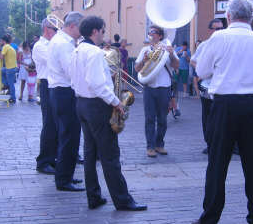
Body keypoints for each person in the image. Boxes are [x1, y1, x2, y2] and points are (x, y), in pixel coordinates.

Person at [192, 0, 253, 224]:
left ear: (228, 17)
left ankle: (209, 220)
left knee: (217, 164)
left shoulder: (218, 38)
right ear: (251, 17)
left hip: (224, 106)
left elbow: (201, 70)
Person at [70, 15, 147, 211]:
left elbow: (83, 79)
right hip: (97, 106)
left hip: (82, 103)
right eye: (103, 31)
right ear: (95, 31)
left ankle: (93, 196)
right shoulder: (95, 53)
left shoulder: (77, 50)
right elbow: (96, 84)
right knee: (110, 155)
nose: (104, 34)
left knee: (90, 152)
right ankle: (123, 200)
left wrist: (107, 75)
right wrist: (116, 103)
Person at [47, 11, 85, 192]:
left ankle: (66, 175)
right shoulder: (63, 44)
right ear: (72, 26)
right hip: (64, 92)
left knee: (69, 136)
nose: (82, 31)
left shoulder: (64, 41)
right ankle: (63, 180)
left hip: (61, 92)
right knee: (69, 137)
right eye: (81, 28)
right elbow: (72, 71)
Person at [135, 25, 179, 158]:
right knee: (149, 119)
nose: (151, 35)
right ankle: (150, 147)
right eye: (149, 33)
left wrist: (171, 54)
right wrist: (144, 60)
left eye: (153, 33)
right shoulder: (145, 49)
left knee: (162, 119)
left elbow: (176, 66)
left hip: (164, 88)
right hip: (149, 87)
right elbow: (137, 68)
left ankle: (160, 144)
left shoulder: (167, 48)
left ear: (160, 36)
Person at [191, 19, 224, 154]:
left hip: (223, 87)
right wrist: (203, 70)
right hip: (207, 85)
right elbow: (193, 61)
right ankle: (209, 144)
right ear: (210, 30)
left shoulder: (227, 44)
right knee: (208, 117)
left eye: (221, 29)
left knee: (223, 117)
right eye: (216, 29)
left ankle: (228, 145)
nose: (218, 32)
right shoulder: (204, 45)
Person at [32, 19, 58, 175]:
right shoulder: (40, 46)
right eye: (55, 29)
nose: (57, 32)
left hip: (56, 85)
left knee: (57, 124)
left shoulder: (54, 45)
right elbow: (55, 62)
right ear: (47, 30)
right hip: (47, 84)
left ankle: (53, 158)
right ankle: (43, 161)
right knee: (49, 124)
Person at [0, 34, 18, 104]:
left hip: (10, 68)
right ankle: (6, 84)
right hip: (12, 67)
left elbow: (1, 57)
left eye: (1, 41)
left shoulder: (5, 46)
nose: (0, 42)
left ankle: (13, 98)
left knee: (11, 84)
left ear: (3, 41)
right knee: (2, 70)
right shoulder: (9, 46)